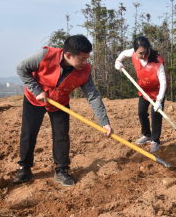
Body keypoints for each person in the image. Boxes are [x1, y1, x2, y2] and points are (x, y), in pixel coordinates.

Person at [15, 35, 113, 187]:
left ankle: (61, 170)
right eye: (81, 58)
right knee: (29, 133)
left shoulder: (85, 70)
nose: (85, 62)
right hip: (35, 99)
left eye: (87, 58)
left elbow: (93, 96)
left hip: (59, 102)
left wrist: (104, 122)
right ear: (68, 55)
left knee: (61, 135)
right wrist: (37, 90)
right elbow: (21, 68)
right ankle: (24, 168)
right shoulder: (45, 56)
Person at [115, 37, 167, 153]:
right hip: (143, 90)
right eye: (140, 53)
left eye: (145, 52)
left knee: (156, 115)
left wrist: (159, 100)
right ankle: (147, 135)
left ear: (149, 48)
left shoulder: (158, 62)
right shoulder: (133, 53)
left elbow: (163, 82)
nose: (143, 55)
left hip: (157, 92)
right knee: (141, 112)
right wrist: (118, 61)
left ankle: (155, 140)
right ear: (135, 51)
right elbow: (123, 53)